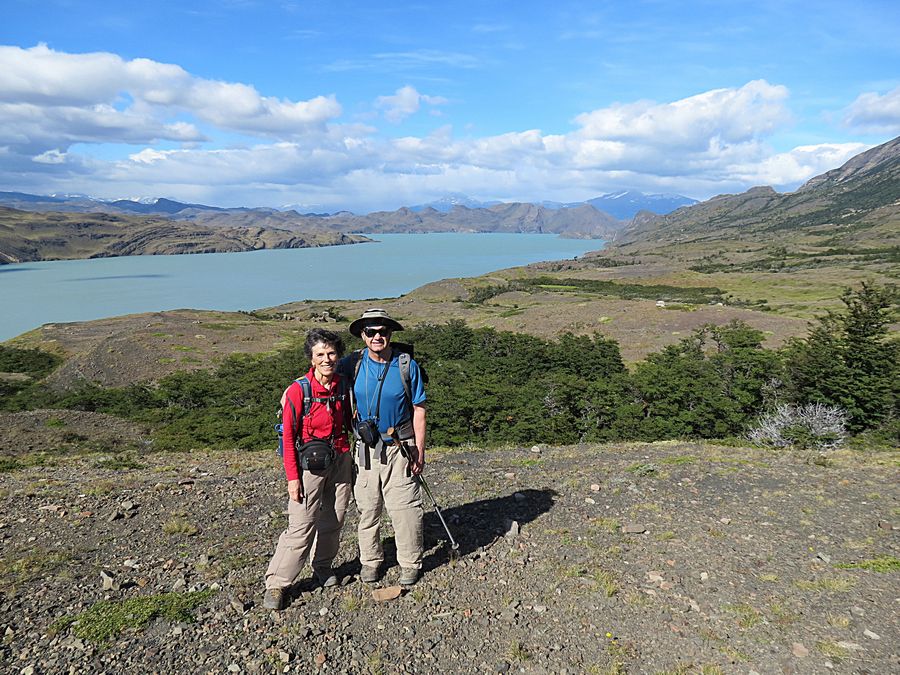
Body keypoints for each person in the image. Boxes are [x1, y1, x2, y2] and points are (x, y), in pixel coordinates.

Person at [263, 328, 352, 611]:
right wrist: (292, 477)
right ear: (311, 359)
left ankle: (322, 566)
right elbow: (287, 437)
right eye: (320, 355)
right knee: (301, 526)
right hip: (308, 467)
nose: (327, 359)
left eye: (331, 353)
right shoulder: (297, 390)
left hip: (340, 458)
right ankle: (277, 583)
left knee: (334, 519)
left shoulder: (343, 385)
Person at [341, 308, 427, 586]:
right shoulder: (352, 364)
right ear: (362, 336)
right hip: (365, 449)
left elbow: (419, 410)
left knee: (405, 509)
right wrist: (293, 392)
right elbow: (323, 374)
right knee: (368, 509)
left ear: (391, 334)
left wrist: (420, 452)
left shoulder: (406, 365)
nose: (377, 336)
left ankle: (410, 562)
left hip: (400, 447)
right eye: (371, 332)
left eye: (383, 331)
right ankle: (370, 561)